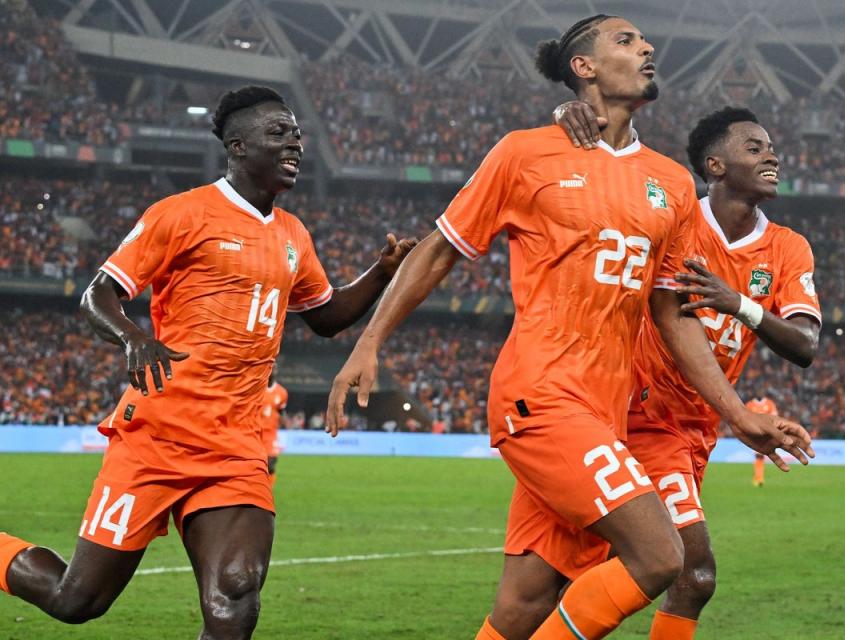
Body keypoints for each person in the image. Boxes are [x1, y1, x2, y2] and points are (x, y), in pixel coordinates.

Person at [327, 16, 813, 640]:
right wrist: (370, 341)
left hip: (606, 412)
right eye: (626, 40)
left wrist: (740, 415)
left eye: (645, 40)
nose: (647, 48)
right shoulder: (525, 152)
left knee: (525, 602)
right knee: (663, 557)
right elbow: (441, 248)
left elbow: (671, 313)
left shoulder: (670, 183)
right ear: (583, 67)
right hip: (542, 395)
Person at [0, 85, 415, 639]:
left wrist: (382, 271)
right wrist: (132, 337)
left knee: (236, 593)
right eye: (279, 133)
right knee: (76, 600)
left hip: (236, 446)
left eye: (296, 133)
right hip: (157, 438)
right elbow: (98, 294)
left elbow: (326, 315)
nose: (294, 142)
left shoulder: (294, 234)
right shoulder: (182, 214)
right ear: (238, 147)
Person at [556, 104, 822, 639]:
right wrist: (570, 114)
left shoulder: (788, 248)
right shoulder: (674, 217)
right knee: (692, 574)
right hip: (641, 413)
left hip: (699, 426)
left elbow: (805, 344)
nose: (771, 155)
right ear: (715, 165)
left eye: (771, 148)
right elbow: (610, 166)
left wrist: (739, 304)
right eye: (754, 147)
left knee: (578, 571)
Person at [261, 367, 289, 486]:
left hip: (270, 434)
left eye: (276, 367)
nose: (274, 369)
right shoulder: (257, 389)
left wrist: (285, 421)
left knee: (271, 464)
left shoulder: (282, 392)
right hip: (254, 432)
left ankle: (267, 491)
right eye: (271, 366)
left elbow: (282, 410)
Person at [746, 395, 780, 487]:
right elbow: (745, 418)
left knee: (760, 456)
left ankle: (758, 478)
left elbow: (775, 417)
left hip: (766, 434)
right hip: (755, 433)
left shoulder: (769, 403)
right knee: (759, 456)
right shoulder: (750, 404)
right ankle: (759, 478)